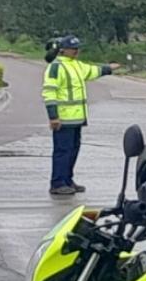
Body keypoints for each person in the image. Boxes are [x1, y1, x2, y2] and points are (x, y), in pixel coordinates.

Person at [43, 35, 121, 197]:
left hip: (77, 119)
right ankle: (57, 183)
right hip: (63, 119)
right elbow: (49, 92)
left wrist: (110, 68)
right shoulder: (56, 67)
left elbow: (93, 71)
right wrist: (53, 116)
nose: (76, 51)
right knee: (62, 151)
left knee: (72, 150)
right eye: (73, 49)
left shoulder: (76, 65)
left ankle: (68, 180)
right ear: (63, 50)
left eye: (78, 49)